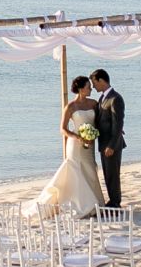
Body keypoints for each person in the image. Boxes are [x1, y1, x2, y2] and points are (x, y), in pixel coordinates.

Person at [22, 75, 107, 220]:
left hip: (90, 143)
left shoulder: (93, 104)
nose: (91, 88)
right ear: (81, 89)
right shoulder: (70, 107)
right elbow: (63, 129)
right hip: (75, 144)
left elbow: (102, 121)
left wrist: (95, 134)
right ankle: (82, 205)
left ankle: (95, 205)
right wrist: (78, 137)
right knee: (76, 172)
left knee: (90, 170)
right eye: (88, 86)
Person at [91, 68, 126, 209]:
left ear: (101, 80)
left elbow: (118, 124)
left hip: (112, 145)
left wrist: (111, 145)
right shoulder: (102, 98)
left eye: (94, 83)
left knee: (113, 174)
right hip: (104, 143)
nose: (93, 86)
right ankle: (112, 201)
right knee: (107, 174)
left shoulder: (115, 98)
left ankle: (115, 203)